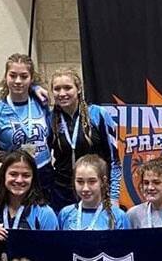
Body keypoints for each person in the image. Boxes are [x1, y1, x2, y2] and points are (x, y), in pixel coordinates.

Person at [49, 68, 120, 211]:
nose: (62, 93)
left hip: (95, 190)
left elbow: (114, 160)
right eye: (57, 89)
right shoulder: (50, 119)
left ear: (79, 89)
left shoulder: (98, 114)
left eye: (68, 88)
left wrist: (114, 197)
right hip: (62, 194)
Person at [0, 53, 53, 190]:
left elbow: (51, 137)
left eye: (24, 76)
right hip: (16, 177)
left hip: (44, 174)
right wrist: (8, 157)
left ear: (31, 79)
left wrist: (36, 88)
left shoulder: (41, 102)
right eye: (13, 75)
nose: (18, 81)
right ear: (6, 77)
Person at [58, 154, 130, 231]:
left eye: (92, 181)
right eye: (80, 181)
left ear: (103, 181)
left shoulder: (118, 216)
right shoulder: (65, 214)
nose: (85, 188)